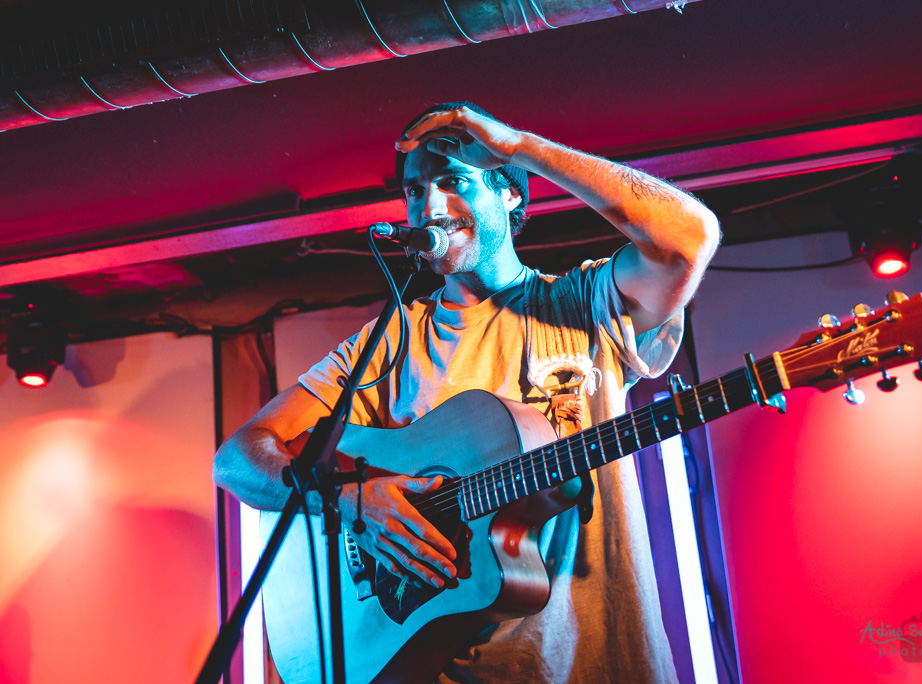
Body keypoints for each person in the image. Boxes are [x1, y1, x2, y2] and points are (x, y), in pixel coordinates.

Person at [213, 101, 720, 683]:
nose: (429, 205)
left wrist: (520, 146)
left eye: (453, 181)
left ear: (511, 193)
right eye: (414, 190)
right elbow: (237, 460)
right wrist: (352, 501)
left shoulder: (586, 304)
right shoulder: (387, 342)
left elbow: (690, 240)